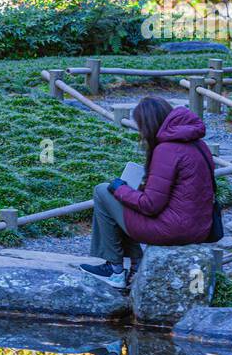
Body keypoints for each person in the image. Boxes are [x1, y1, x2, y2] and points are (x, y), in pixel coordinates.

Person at [79, 96, 216, 290]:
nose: (141, 132)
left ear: (149, 124)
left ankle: (114, 270)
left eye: (141, 126)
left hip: (173, 229)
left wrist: (120, 189)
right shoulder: (197, 143)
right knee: (123, 198)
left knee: (102, 191)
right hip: (198, 227)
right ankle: (136, 263)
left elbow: (150, 205)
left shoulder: (167, 149)